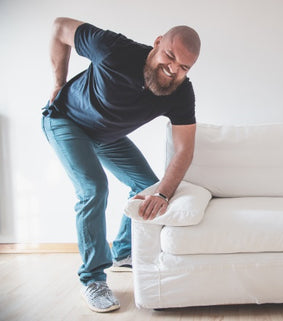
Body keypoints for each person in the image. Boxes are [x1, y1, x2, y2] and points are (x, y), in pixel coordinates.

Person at [42, 17, 201, 313]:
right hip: (66, 120)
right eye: (170, 56)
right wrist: (58, 83)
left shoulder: (181, 92)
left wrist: (163, 194)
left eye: (184, 67)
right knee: (93, 188)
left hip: (106, 136)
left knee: (146, 185)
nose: (173, 70)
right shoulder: (113, 49)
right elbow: (60, 27)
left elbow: (184, 149)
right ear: (157, 43)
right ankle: (93, 280)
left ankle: (125, 252)